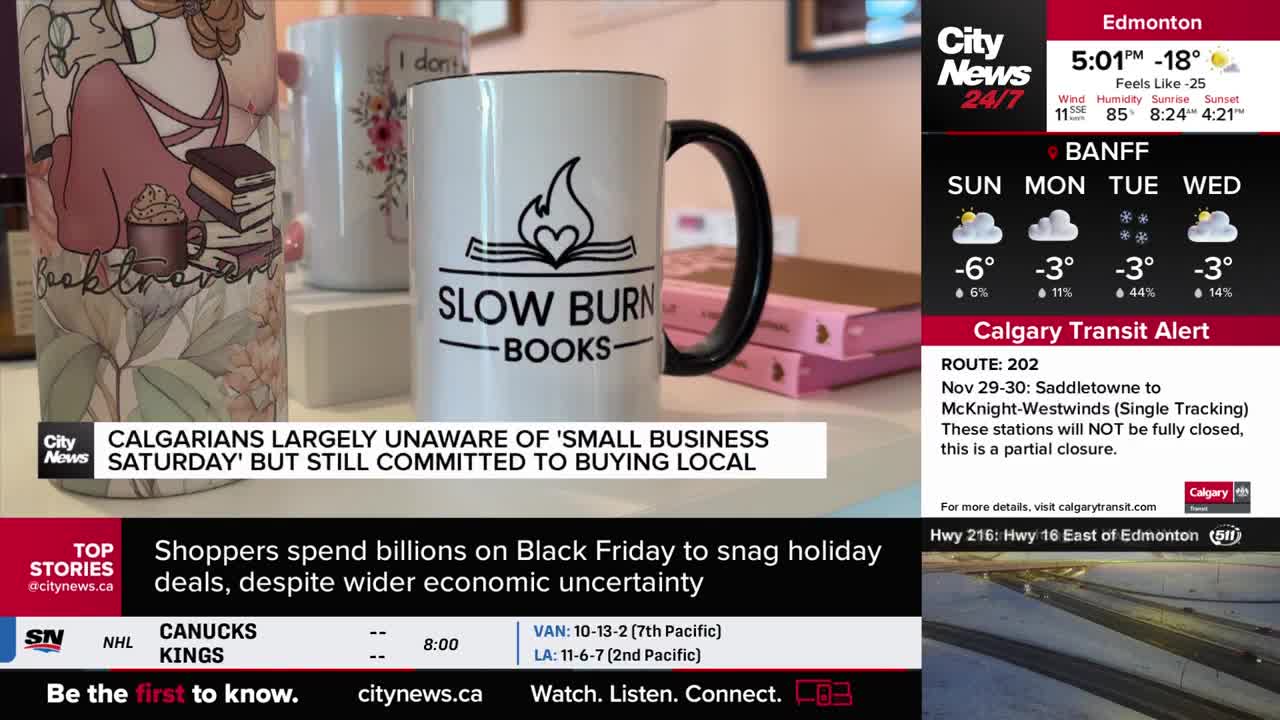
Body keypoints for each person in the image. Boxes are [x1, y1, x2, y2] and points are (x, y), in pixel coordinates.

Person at [32, 0, 272, 258]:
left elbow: (85, 235)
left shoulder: (101, 87)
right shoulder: (216, 77)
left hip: (129, 276)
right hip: (200, 269)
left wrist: (59, 116)